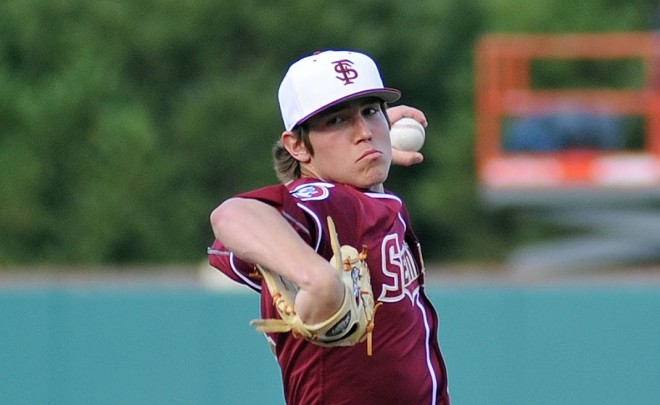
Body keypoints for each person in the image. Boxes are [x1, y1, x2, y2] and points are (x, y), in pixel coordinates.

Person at [208, 49, 450, 405]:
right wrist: (317, 280)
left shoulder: (356, 198)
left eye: (371, 112)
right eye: (336, 121)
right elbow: (232, 215)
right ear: (297, 146)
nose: (364, 132)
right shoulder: (329, 201)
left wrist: (365, 149)